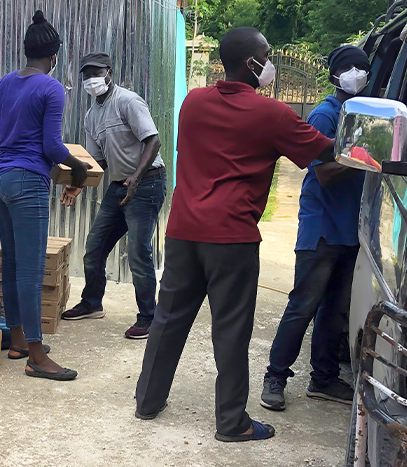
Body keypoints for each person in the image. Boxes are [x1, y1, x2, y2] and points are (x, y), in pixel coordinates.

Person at [133, 27, 343, 443]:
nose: (270, 64)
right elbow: (327, 158)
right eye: (266, 56)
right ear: (252, 64)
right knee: (230, 331)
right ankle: (232, 423)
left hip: (184, 231)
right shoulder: (273, 115)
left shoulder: (192, 102)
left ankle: (147, 401)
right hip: (231, 238)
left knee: (169, 320)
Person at [0, 10, 90, 382]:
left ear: (26, 51)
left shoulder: (6, 83)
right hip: (28, 182)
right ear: (55, 56)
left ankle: (19, 341)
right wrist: (79, 169)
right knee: (29, 268)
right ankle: (37, 357)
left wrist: (10, 146)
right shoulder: (51, 87)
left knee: (12, 263)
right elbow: (52, 146)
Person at [260, 45, 370, 412]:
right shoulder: (326, 115)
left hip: (350, 230)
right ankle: (275, 375)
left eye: (363, 68)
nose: (358, 73)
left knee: (334, 308)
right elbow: (322, 172)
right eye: (350, 68)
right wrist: (364, 159)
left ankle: (322, 379)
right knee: (304, 304)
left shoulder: (362, 115)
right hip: (321, 227)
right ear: (336, 75)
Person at [59, 52, 166, 340]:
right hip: (119, 186)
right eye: (86, 75)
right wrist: (78, 185)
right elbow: (98, 161)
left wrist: (137, 177)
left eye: (96, 72)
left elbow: (153, 141)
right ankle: (92, 303)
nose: (91, 79)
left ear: (109, 72)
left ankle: (148, 317)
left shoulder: (127, 101)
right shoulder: (92, 115)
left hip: (147, 184)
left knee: (137, 253)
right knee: (94, 247)